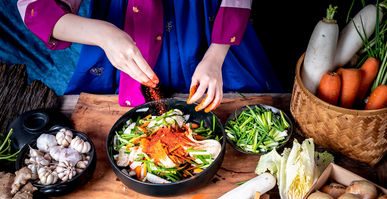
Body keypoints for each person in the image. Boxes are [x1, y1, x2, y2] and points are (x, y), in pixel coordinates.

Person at [17, 0, 283, 110]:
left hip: (209, 30)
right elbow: (36, 10)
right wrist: (104, 35)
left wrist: (215, 56)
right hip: (121, 30)